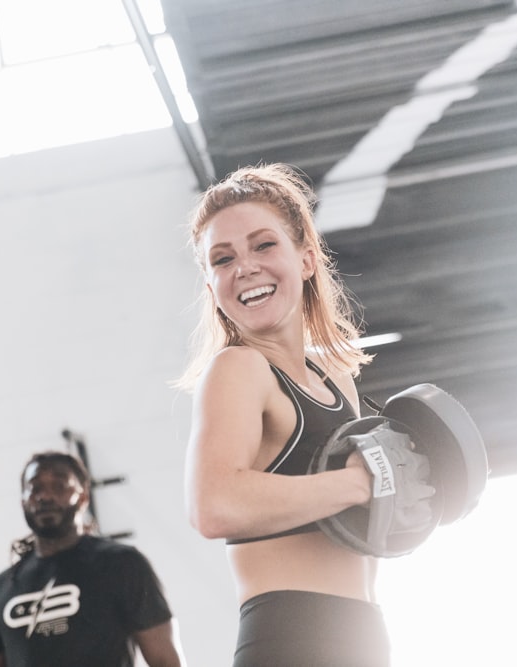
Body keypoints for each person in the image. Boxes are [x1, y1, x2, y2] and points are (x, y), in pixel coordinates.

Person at [178, 163, 391, 666]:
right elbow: (213, 505)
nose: (244, 266)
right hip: (291, 639)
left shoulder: (336, 381)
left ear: (308, 258)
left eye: (263, 245)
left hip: (363, 633)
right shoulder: (238, 368)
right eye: (222, 258)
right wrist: (360, 483)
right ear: (212, 287)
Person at [0, 450, 185, 667]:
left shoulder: (122, 564)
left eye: (59, 486)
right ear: (23, 501)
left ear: (83, 498)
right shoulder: (1, 588)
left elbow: (166, 661)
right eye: (35, 488)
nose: (45, 496)